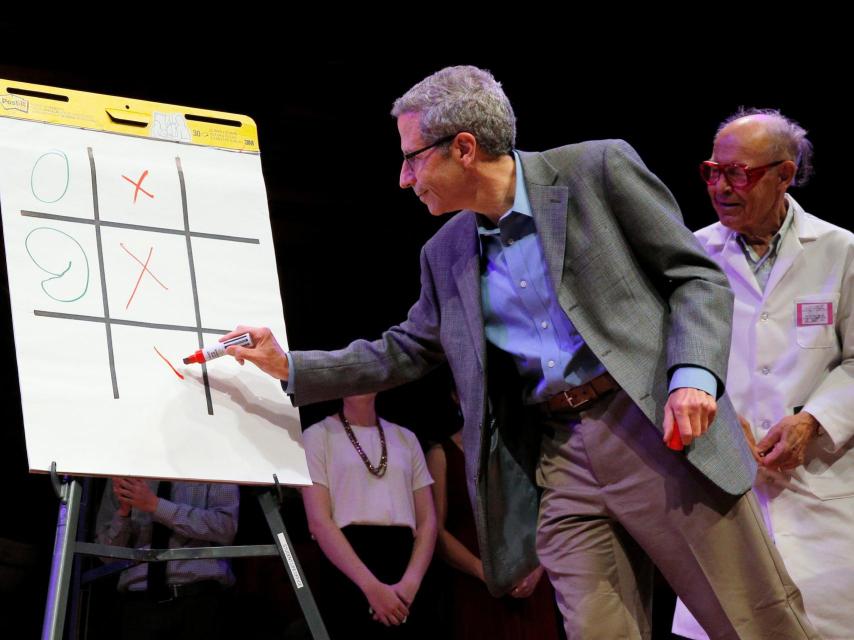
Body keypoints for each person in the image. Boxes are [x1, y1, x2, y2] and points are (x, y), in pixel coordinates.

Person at [224, 66, 817, 639]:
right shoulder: (445, 251)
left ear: (462, 147)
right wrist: (290, 366)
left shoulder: (595, 171)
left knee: (753, 622)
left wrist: (693, 377)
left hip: (652, 427)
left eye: (411, 157)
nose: (404, 178)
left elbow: (696, 279)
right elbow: (405, 349)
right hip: (559, 457)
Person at [672, 110, 854, 639]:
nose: (721, 187)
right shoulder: (690, 255)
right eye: (713, 171)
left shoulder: (841, 251)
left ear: (785, 174)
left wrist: (813, 421)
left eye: (739, 173)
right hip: (725, 488)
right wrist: (720, 420)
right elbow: (674, 361)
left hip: (820, 490)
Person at [301, 392, 436, 638]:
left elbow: (428, 521)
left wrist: (410, 584)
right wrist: (371, 587)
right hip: (348, 564)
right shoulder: (317, 436)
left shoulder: (406, 438)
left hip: (405, 563)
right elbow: (319, 521)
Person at [426, 419, 560, 640]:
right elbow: (437, 532)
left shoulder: (525, 445)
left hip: (530, 582)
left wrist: (537, 569)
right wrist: (487, 573)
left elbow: (549, 513)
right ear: (456, 396)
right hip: (475, 583)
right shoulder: (442, 454)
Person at [95, 477, 239, 640]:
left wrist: (156, 506)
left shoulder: (214, 462)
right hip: (139, 604)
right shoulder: (124, 467)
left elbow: (226, 527)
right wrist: (123, 515)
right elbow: (106, 556)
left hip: (199, 600)